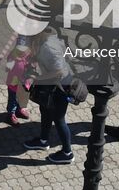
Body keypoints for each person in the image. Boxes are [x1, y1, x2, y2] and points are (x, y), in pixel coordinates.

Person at [23, 26, 77, 163]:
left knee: (59, 119)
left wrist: (38, 79)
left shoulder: (48, 47)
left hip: (60, 87)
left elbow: (59, 72)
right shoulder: (49, 37)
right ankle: (43, 140)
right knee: (45, 110)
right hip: (51, 85)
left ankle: (67, 153)